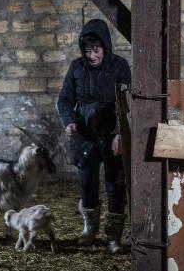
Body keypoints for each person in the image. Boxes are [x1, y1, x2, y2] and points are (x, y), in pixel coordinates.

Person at [55, 18, 131, 254]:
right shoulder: (77, 68)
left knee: (115, 182)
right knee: (87, 181)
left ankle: (113, 236)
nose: (91, 55)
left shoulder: (120, 67)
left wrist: (120, 134)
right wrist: (70, 121)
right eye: (87, 50)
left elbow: (126, 103)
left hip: (111, 131)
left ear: (106, 47)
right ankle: (89, 229)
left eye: (96, 50)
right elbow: (65, 99)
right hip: (85, 132)